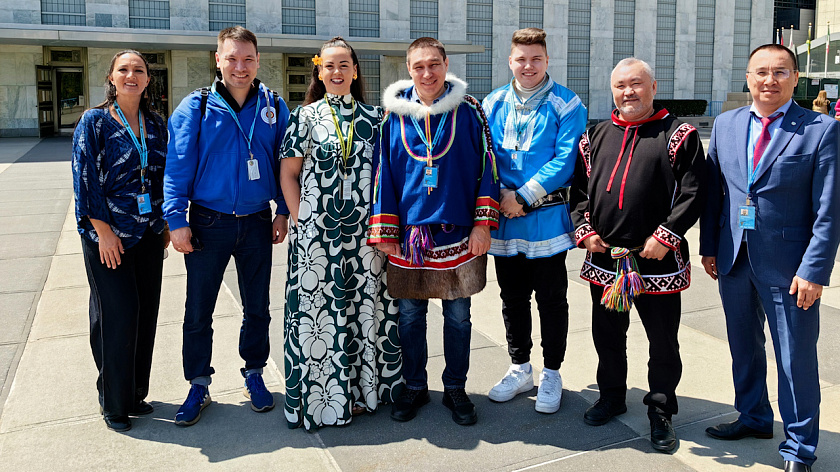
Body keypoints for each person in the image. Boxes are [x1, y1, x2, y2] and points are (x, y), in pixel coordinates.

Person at [700, 44, 840, 472]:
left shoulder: (820, 129)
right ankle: (754, 416)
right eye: (761, 72)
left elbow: (829, 209)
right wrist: (709, 246)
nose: (769, 80)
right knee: (744, 347)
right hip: (733, 258)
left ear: (796, 78)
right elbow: (714, 194)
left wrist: (814, 270)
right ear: (748, 77)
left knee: (795, 358)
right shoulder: (726, 125)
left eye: (780, 72)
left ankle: (799, 447)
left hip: (791, 266)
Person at [570, 58, 705, 452]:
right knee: (607, 335)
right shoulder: (593, 135)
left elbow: (695, 192)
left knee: (662, 342)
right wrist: (585, 230)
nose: (628, 92)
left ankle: (660, 410)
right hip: (606, 260)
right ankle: (612, 395)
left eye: (636, 84)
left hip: (657, 260)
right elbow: (578, 192)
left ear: (653, 86)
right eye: (620, 85)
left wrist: (667, 236)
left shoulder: (679, 134)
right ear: (611, 89)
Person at [369, 37, 500, 426]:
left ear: (445, 64)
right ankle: (414, 386)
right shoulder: (392, 115)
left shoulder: (470, 110)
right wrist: (385, 232)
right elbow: (383, 176)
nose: (427, 73)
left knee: (459, 317)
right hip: (409, 237)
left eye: (434, 64)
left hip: (459, 233)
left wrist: (482, 224)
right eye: (418, 66)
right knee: (409, 316)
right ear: (408, 69)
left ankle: (456, 388)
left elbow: (487, 169)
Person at [163, 26, 290, 426]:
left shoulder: (274, 105)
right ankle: (198, 383)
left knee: (258, 307)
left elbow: (287, 164)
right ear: (217, 60)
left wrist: (283, 210)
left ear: (257, 61)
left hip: (256, 223)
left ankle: (254, 373)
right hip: (206, 223)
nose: (240, 67)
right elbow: (176, 167)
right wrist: (175, 220)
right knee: (199, 310)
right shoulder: (195, 107)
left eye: (248, 59)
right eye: (232, 58)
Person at [280, 37, 401, 431]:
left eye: (344, 65)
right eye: (329, 65)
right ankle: (326, 399)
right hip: (319, 239)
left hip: (365, 237)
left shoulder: (376, 118)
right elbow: (289, 174)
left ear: (355, 70)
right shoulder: (304, 118)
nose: (337, 72)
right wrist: (302, 223)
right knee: (322, 317)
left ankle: (367, 392)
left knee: (365, 310)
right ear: (319, 70)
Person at [482, 28, 587, 414]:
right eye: (521, 59)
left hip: (544, 218)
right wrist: (501, 198)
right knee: (511, 298)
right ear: (510, 61)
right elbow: (485, 156)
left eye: (536, 59)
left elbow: (566, 160)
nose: (528, 66)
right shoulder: (492, 103)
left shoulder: (567, 103)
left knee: (552, 299)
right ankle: (519, 366)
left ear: (547, 60)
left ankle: (553, 371)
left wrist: (522, 196)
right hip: (505, 219)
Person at [72, 50, 169, 432]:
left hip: (148, 233)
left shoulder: (157, 124)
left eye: (139, 70)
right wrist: (104, 230)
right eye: (123, 70)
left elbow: (164, 178)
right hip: (107, 236)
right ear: (111, 78)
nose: (132, 76)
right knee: (117, 315)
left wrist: (163, 225)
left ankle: (134, 394)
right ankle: (113, 401)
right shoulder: (93, 122)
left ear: (147, 80)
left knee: (145, 315)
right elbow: (85, 181)